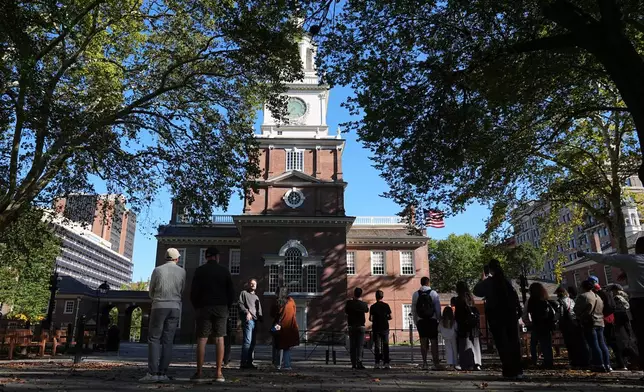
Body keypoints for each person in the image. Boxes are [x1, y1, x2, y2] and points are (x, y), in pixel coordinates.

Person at [578, 239, 644, 378]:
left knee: (641, 335)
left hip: (639, 300)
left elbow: (605, 258)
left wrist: (585, 253)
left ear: (637, 248)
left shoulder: (632, 260)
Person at [140, 248, 186, 382]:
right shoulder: (182, 271)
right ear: (177, 259)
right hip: (175, 306)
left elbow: (151, 290)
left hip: (159, 306)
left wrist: (156, 298)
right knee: (168, 340)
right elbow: (182, 289)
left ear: (165, 258)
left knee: (154, 339)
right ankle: (163, 373)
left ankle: (153, 373)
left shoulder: (157, 270)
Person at [190, 247, 235, 383]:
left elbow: (193, 292)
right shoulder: (224, 271)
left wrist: (197, 307)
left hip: (204, 307)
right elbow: (231, 292)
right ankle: (218, 373)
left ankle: (199, 373)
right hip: (221, 307)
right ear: (217, 257)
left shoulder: (200, 271)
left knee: (202, 339)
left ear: (206, 257)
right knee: (219, 338)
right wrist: (227, 306)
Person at [473, 259, 524, 379]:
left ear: (490, 270)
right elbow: (515, 297)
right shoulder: (507, 282)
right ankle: (518, 370)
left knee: (502, 343)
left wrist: (483, 278)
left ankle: (508, 370)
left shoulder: (489, 282)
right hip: (510, 315)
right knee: (514, 342)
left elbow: (476, 291)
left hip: (496, 316)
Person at [574, 279, 612, 373]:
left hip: (590, 322)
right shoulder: (597, 296)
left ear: (583, 287)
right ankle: (607, 364)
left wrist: (580, 315)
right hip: (600, 321)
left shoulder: (583, 296)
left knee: (594, 345)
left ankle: (599, 364)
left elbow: (576, 309)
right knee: (602, 344)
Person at [411, 277, 442, 370]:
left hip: (421, 321)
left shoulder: (416, 294)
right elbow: (437, 308)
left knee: (423, 342)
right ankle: (435, 363)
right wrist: (439, 319)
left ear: (421, 283)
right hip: (432, 320)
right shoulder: (433, 293)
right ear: (428, 283)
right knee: (434, 342)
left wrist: (416, 321)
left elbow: (413, 309)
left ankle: (424, 363)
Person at [554, 286, 588, 369]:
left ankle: (574, 362)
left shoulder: (560, 302)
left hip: (567, 324)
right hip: (575, 322)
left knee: (570, 344)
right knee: (578, 343)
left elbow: (559, 314)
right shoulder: (571, 300)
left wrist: (555, 321)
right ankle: (583, 361)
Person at [522, 283, 554, 368]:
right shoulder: (545, 299)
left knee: (533, 344)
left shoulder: (531, 300)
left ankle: (534, 360)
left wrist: (528, 323)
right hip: (546, 325)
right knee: (546, 344)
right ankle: (549, 361)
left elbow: (525, 314)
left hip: (536, 324)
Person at [609, 284, 640, 370]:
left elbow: (618, 310)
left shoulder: (617, 298)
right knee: (630, 339)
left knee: (624, 341)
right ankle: (633, 359)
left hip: (622, 321)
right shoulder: (626, 296)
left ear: (615, 290)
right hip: (628, 320)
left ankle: (633, 358)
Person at [454, 281, 482, 371]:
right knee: (475, 343)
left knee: (465, 344)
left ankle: (466, 364)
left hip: (464, 325)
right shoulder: (470, 298)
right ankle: (477, 363)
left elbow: (458, 315)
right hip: (473, 324)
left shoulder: (459, 299)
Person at [271, 287, 299, 370]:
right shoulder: (291, 301)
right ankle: (287, 365)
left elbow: (272, 314)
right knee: (287, 347)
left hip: (279, 326)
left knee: (278, 346)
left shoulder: (278, 302)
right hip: (290, 327)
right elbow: (294, 313)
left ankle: (277, 364)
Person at [239, 278, 263, 369]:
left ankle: (249, 362)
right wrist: (247, 312)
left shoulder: (256, 297)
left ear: (256, 286)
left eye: (254, 284)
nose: (253, 285)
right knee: (247, 342)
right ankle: (243, 363)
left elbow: (259, 310)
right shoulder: (244, 293)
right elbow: (240, 304)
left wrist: (261, 319)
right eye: (251, 283)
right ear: (248, 284)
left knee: (252, 343)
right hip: (248, 320)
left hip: (255, 321)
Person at [345, 287, 369, 369]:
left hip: (352, 326)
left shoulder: (349, 303)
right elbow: (366, 310)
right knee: (360, 345)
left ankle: (353, 363)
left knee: (352, 345)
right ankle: (359, 362)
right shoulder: (363, 304)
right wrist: (360, 301)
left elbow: (346, 311)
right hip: (361, 326)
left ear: (354, 294)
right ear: (361, 294)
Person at [369, 290, 392, 369]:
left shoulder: (373, 307)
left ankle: (377, 363)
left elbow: (370, 318)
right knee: (385, 345)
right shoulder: (386, 305)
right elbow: (390, 317)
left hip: (376, 328)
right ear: (383, 296)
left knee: (377, 346)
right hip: (385, 327)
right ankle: (386, 363)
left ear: (376, 297)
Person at [438, 306, 459, 370]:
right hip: (453, 336)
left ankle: (450, 363)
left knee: (448, 350)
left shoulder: (442, 322)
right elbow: (456, 328)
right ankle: (456, 363)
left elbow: (438, 329)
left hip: (446, 337)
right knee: (455, 350)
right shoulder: (453, 321)